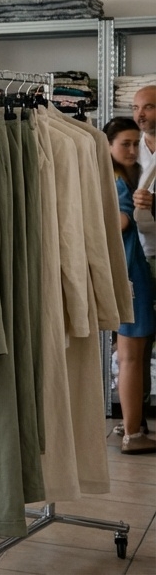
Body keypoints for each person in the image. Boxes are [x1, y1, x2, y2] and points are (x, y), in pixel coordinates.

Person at [105, 117, 156, 454]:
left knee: (133, 353)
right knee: (131, 357)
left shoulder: (124, 176)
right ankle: (132, 436)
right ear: (107, 145)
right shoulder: (118, 182)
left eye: (136, 143)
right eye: (125, 143)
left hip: (129, 272)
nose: (132, 149)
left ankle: (132, 423)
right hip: (130, 275)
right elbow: (121, 221)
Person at [131, 86, 156, 434]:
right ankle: (138, 419)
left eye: (148, 107)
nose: (140, 114)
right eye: (136, 107)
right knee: (139, 342)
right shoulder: (129, 148)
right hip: (139, 255)